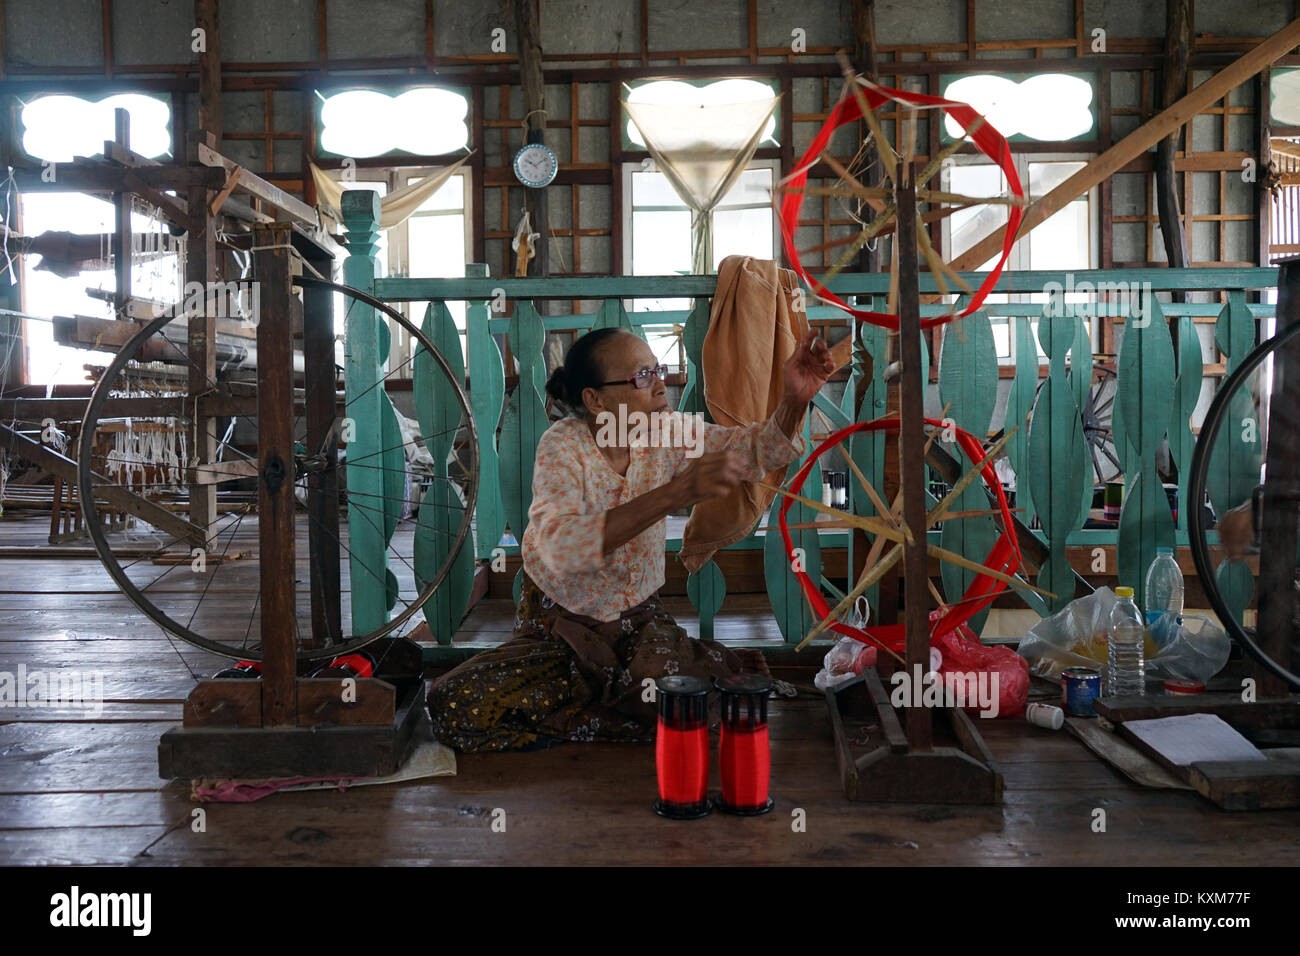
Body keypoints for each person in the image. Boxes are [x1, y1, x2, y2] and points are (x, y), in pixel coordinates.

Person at [426, 325, 834, 752]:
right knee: (454, 706)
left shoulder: (669, 432)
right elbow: (561, 547)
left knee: (661, 694)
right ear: (595, 400)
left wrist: (795, 400)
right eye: (642, 376)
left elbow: (757, 451)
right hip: (560, 628)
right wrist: (676, 493)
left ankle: (616, 689)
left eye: (657, 370)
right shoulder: (563, 446)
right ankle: (648, 681)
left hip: (637, 620)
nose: (661, 384)